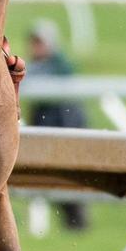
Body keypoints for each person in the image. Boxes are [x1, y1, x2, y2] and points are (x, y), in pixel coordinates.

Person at [27, 19, 89, 231]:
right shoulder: (38, 65)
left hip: (65, 125)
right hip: (49, 126)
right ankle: (72, 224)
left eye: (39, 42)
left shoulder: (60, 65)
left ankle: (77, 223)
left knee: (68, 180)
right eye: (34, 42)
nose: (35, 47)